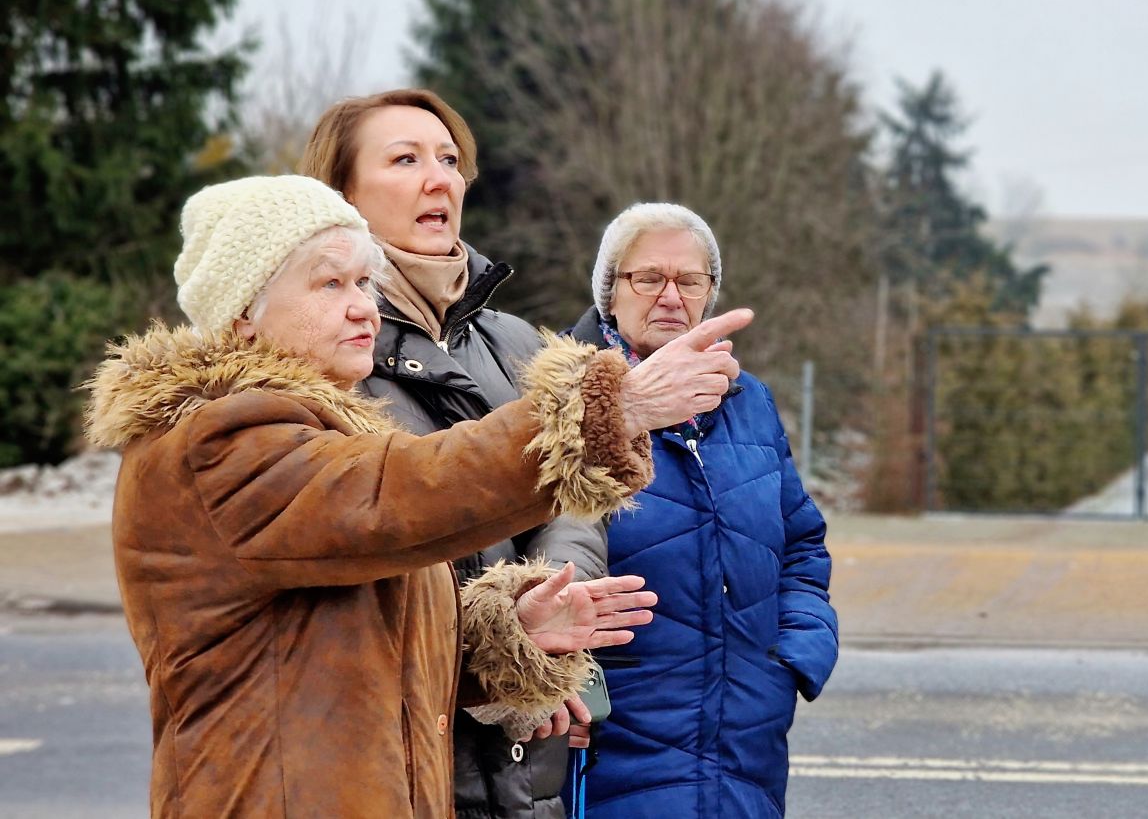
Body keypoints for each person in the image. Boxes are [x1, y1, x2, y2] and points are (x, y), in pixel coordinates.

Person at [83, 175, 752, 818]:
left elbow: (358, 651)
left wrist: (508, 634)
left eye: (364, 282)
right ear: (242, 314)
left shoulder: (312, 432)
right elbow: (403, 487)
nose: (363, 306)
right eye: (330, 282)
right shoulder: (218, 442)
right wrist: (611, 408)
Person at [298, 88, 605, 819]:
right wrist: (505, 641)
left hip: (536, 750)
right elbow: (382, 537)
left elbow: (578, 501)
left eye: (449, 159)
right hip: (404, 756)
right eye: (406, 160)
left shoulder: (521, 343)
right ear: (339, 195)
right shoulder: (321, 359)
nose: (442, 179)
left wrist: (548, 618)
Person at [564, 202, 838, 818]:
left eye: (690, 280)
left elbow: (800, 543)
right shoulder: (562, 402)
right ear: (610, 292)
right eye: (647, 278)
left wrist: (793, 655)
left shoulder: (748, 402)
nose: (670, 296)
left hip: (746, 734)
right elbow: (527, 553)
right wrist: (560, 685)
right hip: (615, 735)